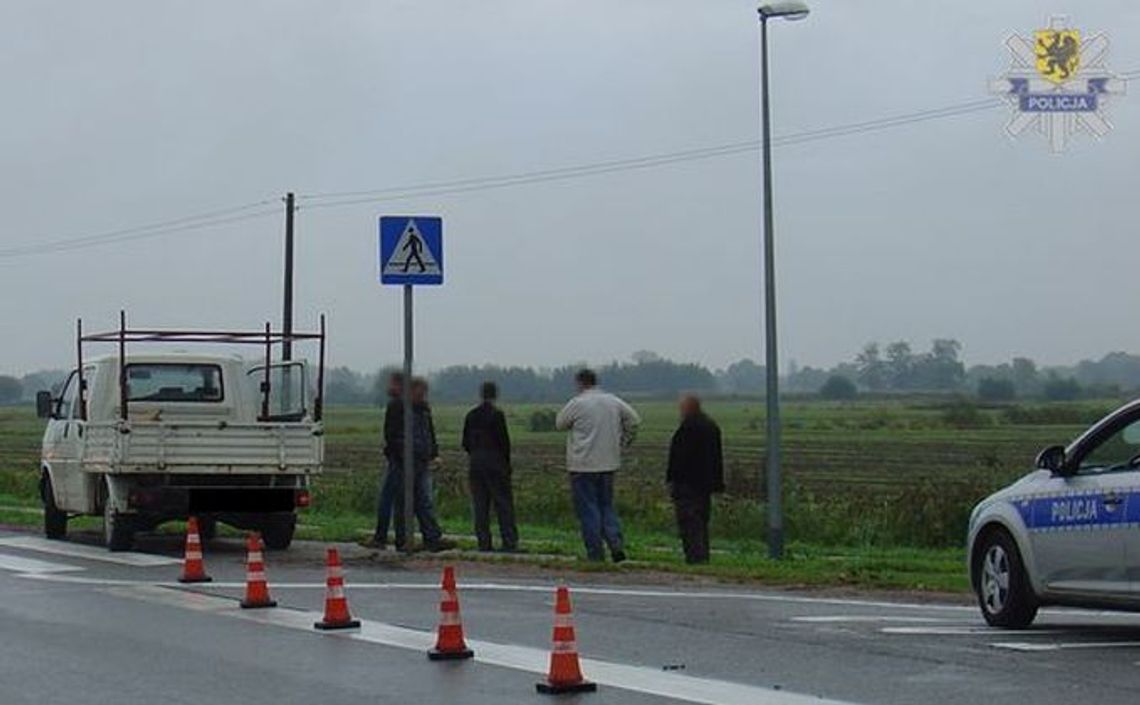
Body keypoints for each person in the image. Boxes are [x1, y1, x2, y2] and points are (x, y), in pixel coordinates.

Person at [555, 369, 641, 563]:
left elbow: (560, 423)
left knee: (588, 509)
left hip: (582, 465)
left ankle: (595, 552)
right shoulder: (613, 401)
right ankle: (615, 543)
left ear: (580, 383)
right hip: (608, 463)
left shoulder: (577, 403)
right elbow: (634, 420)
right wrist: (624, 441)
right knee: (606, 506)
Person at [391, 378, 455, 552]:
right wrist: (402, 456)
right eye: (419, 392)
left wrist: (434, 453)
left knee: (425, 501)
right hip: (405, 463)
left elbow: (430, 433)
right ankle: (403, 539)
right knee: (404, 502)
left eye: (424, 393)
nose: (422, 396)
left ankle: (432, 537)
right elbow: (392, 436)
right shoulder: (400, 409)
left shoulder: (424, 410)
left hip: (422, 461)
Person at [666, 395, 725, 564]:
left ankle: (695, 557)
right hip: (706, 483)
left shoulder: (688, 428)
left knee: (689, 522)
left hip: (687, 483)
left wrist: (672, 478)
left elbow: (679, 457)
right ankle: (703, 556)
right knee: (702, 521)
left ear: (688, 408)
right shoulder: (711, 426)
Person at [462, 381, 519, 552]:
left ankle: (484, 543)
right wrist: (506, 464)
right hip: (495, 462)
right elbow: (504, 442)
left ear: (481, 395)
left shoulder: (471, 415)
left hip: (476, 462)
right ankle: (509, 542)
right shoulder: (497, 415)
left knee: (480, 504)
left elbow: (465, 442)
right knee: (503, 503)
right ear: (495, 395)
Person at [368, 372, 404, 549]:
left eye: (392, 384)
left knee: (387, 498)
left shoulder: (395, 405)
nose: (388, 387)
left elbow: (391, 433)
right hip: (403, 458)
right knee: (401, 500)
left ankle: (381, 537)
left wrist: (391, 451)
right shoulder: (410, 405)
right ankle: (401, 539)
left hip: (397, 459)